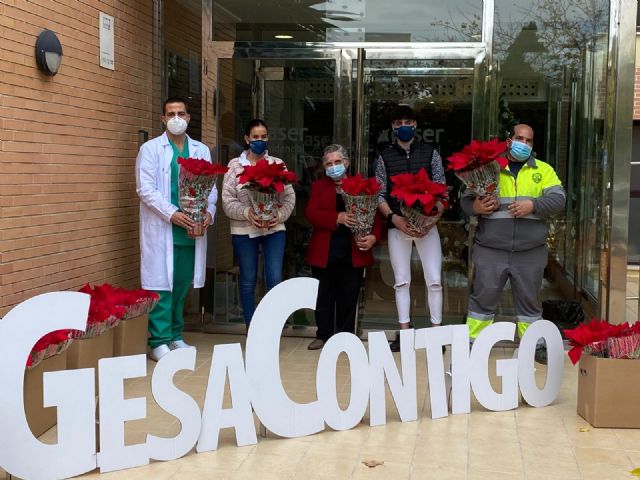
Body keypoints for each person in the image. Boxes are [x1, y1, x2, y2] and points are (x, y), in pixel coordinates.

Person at [461, 124, 566, 364]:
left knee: (529, 303)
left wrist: (533, 205)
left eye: (529, 141)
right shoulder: (489, 169)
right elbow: (465, 201)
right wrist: (475, 207)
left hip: (530, 252)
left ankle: (534, 347)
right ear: (509, 140)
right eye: (519, 138)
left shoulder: (543, 170)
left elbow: (559, 199)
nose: (524, 144)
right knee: (482, 300)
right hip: (491, 250)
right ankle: (472, 344)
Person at [135, 97, 217, 361]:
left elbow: (211, 188)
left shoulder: (200, 150)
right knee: (160, 285)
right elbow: (144, 189)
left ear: (189, 118)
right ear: (163, 119)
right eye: (171, 114)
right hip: (164, 227)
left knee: (181, 283)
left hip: (191, 228)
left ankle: (175, 336)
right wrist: (172, 214)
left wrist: (208, 214)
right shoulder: (150, 149)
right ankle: (158, 340)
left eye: (181, 113)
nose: (176, 118)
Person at [375, 105, 447, 352]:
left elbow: (442, 189)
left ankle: (437, 334)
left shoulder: (430, 153)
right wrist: (394, 218)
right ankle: (404, 333)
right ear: (392, 127)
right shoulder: (384, 156)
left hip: (428, 227)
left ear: (415, 124)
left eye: (408, 121)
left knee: (434, 280)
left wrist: (433, 218)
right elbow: (379, 194)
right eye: (398, 122)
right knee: (401, 281)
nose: (403, 126)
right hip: (398, 227)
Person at [305, 144, 382, 350]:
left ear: (346, 163)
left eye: (337, 162)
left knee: (349, 295)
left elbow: (375, 217)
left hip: (353, 250)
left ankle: (346, 336)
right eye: (329, 163)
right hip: (326, 250)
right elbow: (311, 214)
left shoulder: (362, 186)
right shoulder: (319, 187)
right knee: (324, 296)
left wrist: (374, 237)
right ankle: (322, 335)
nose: (334, 166)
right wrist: (337, 217)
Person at [222, 119, 296, 327]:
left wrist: (278, 216)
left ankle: (272, 329)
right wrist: (247, 212)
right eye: (255, 137)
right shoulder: (235, 168)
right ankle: (251, 328)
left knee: (274, 279)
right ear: (247, 139)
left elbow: (289, 198)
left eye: (263, 137)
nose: (260, 141)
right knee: (248, 279)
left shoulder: (277, 164)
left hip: (274, 230)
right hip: (243, 230)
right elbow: (227, 201)